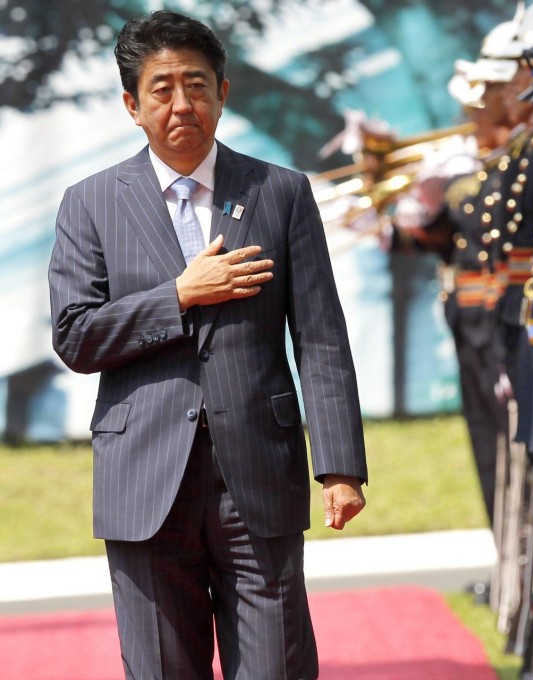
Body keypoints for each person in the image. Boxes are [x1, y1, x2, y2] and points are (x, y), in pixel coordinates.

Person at [47, 10, 367, 679]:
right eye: (161, 89)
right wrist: (179, 295)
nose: (181, 103)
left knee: (275, 666)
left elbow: (322, 337)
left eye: (196, 84)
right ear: (132, 105)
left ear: (224, 92)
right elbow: (76, 335)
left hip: (258, 473)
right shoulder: (90, 203)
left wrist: (340, 464)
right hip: (144, 480)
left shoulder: (280, 192)